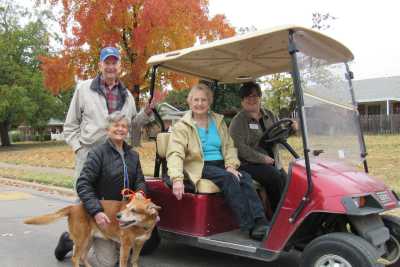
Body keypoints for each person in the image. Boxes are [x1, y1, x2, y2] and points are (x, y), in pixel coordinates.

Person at [56, 46, 153, 260]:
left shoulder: (127, 95)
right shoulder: (83, 89)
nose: (110, 66)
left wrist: (146, 113)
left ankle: (89, 241)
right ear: (100, 65)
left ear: (119, 66)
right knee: (86, 209)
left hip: (116, 158)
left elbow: (132, 126)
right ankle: (71, 241)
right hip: (91, 155)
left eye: (114, 62)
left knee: (112, 210)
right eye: (106, 62)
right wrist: (80, 150)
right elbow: (70, 126)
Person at [166, 83, 269, 241]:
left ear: (209, 102)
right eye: (196, 100)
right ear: (190, 102)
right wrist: (177, 178)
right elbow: (175, 153)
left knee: (245, 178)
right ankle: (249, 226)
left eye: (204, 100)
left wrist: (231, 165)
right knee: (229, 179)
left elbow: (229, 146)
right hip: (200, 165)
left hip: (220, 164)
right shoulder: (182, 126)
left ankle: (261, 221)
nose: (199, 104)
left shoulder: (218, 121)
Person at [79, 111, 146, 267]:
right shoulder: (97, 153)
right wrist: (96, 211)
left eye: (124, 126)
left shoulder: (133, 155)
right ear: (107, 129)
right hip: (104, 215)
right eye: (116, 125)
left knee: (124, 254)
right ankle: (73, 241)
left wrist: (140, 194)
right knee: (108, 263)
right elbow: (83, 184)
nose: (120, 129)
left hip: (126, 214)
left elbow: (140, 181)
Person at [229, 82, 297, 212]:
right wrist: (262, 159)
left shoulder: (270, 115)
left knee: (290, 180)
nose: (251, 99)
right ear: (242, 101)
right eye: (247, 97)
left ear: (260, 97)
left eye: (254, 96)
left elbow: (279, 135)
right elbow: (239, 147)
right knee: (274, 177)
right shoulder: (238, 121)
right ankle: (277, 216)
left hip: (273, 162)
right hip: (248, 164)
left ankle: (291, 213)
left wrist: (292, 130)